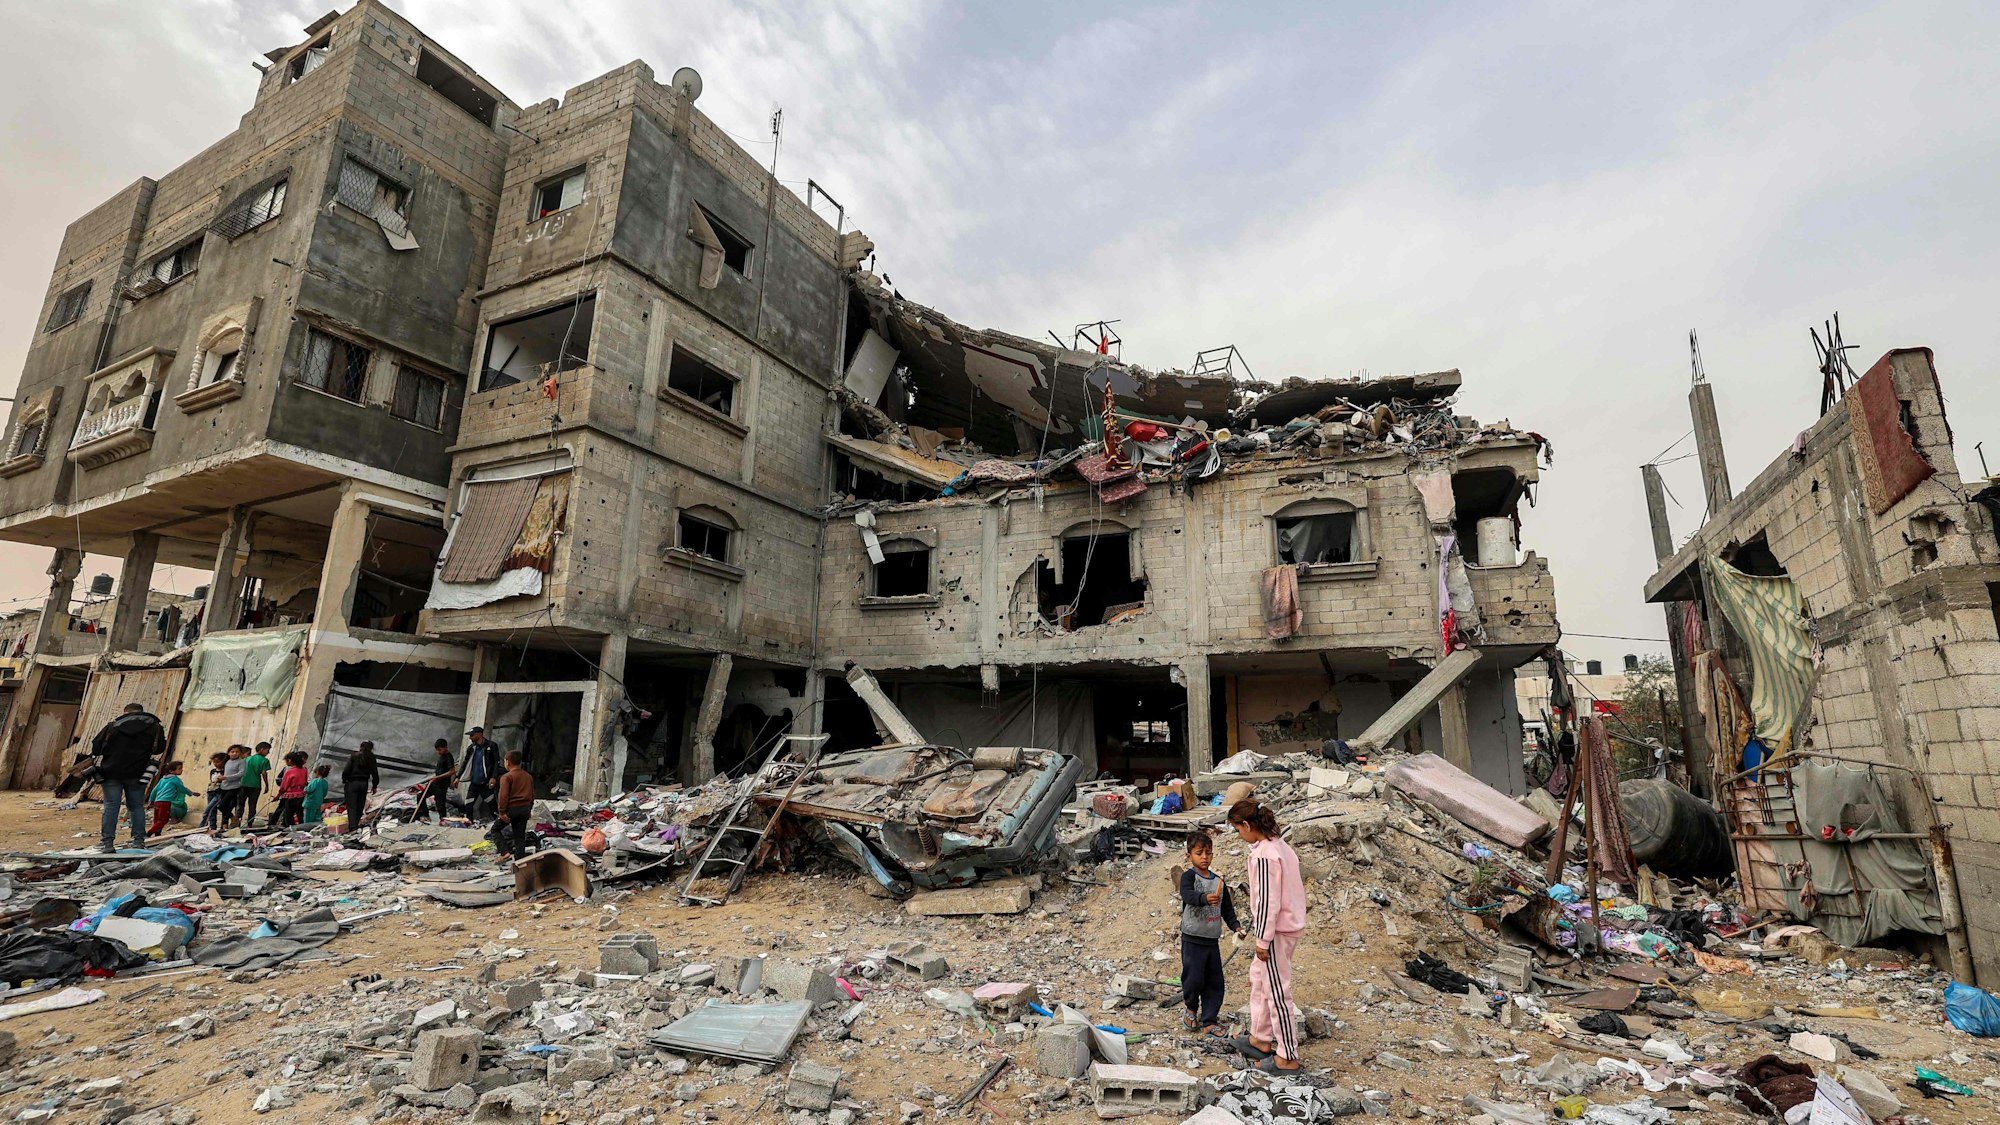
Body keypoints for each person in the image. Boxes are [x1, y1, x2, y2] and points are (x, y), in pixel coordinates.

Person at [1228, 798, 1306, 1072]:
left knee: (1276, 990)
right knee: (1260, 980)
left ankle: (1287, 1055)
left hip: (1276, 931)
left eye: (1238, 830)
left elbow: (1267, 901)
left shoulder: (1264, 855)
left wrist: (1262, 940)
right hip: (1286, 925)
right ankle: (1260, 1038)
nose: (1239, 835)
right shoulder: (1280, 847)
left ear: (1247, 825)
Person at [1178, 831, 1243, 1037]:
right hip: (1192, 937)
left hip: (1211, 939)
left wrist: (1236, 927)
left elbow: (1227, 910)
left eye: (1208, 853)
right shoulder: (1188, 877)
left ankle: (1209, 1020)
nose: (1204, 857)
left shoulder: (1219, 882)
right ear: (1189, 856)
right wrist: (1204, 898)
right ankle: (1190, 1008)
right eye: (1199, 853)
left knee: (1215, 981)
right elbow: (1187, 895)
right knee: (1193, 978)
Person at [91, 702, 166, 853]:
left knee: (111, 806)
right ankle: (138, 841)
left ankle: (107, 843)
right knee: (136, 806)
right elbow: (159, 749)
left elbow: (96, 748)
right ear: (141, 712)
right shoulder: (155, 727)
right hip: (138, 773)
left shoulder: (113, 726)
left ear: (126, 712)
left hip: (111, 772)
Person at [495, 750, 536, 860]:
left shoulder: (507, 777)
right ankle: (519, 864)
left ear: (507, 762)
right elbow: (532, 795)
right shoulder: (528, 776)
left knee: (495, 829)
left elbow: (503, 796)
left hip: (512, 810)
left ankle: (504, 852)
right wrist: (529, 810)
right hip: (524, 810)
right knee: (520, 837)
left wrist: (502, 812)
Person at [459, 727, 501, 821]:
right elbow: (465, 763)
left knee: (492, 804)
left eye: (472, 735)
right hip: (474, 782)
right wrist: (458, 777)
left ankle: (498, 822)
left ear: (479, 734)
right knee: (468, 804)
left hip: (485, 783)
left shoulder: (491, 746)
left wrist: (493, 777)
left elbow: (496, 763)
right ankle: (469, 823)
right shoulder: (471, 748)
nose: (470, 737)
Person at [341, 741, 381, 834]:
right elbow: (375, 773)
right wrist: (374, 786)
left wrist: (344, 780)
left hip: (352, 783)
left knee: (351, 807)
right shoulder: (371, 758)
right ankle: (356, 826)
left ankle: (353, 828)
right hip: (364, 784)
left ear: (360, 747)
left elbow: (346, 770)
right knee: (360, 806)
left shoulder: (354, 756)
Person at [147, 760, 191, 836]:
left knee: (157, 819)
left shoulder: (162, 779)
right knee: (164, 819)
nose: (181, 770)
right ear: (171, 771)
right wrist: (191, 793)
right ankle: (149, 832)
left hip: (157, 801)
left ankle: (158, 833)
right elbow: (182, 789)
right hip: (165, 802)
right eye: (179, 769)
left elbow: (154, 790)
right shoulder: (175, 779)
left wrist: (151, 800)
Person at [418, 738, 457, 822]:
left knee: (440, 804)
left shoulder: (449, 757)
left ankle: (443, 820)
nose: (438, 752)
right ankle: (426, 816)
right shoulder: (441, 756)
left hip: (442, 785)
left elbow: (452, 771)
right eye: (437, 750)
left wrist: (438, 777)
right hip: (435, 783)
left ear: (445, 747)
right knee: (420, 796)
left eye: (440, 749)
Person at [238, 741, 273, 829]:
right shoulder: (265, 760)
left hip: (243, 784)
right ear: (262, 749)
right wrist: (267, 785)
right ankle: (250, 824)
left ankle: (237, 822)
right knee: (252, 805)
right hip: (255, 785)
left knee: (240, 804)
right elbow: (264, 773)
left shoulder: (247, 759)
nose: (268, 753)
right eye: (267, 750)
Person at [273, 752, 309, 828]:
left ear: (290, 760)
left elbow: (283, 787)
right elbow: (305, 782)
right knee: (300, 814)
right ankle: (302, 829)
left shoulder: (289, 771)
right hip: (301, 796)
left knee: (288, 815)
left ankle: (291, 830)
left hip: (290, 797)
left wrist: (277, 796)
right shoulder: (304, 770)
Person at [198, 752, 229, 830]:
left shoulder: (225, 772)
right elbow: (211, 781)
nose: (215, 764)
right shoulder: (212, 771)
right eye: (214, 762)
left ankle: (201, 827)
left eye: (218, 762)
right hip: (211, 791)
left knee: (208, 810)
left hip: (219, 793)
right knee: (212, 812)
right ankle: (212, 827)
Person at [219, 745, 247, 828]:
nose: (234, 753)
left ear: (240, 753)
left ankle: (233, 818)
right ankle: (224, 827)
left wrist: (226, 777)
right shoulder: (227, 761)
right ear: (228, 753)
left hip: (234, 787)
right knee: (225, 808)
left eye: (237, 752)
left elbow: (241, 774)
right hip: (224, 786)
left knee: (222, 806)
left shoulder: (241, 762)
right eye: (232, 752)